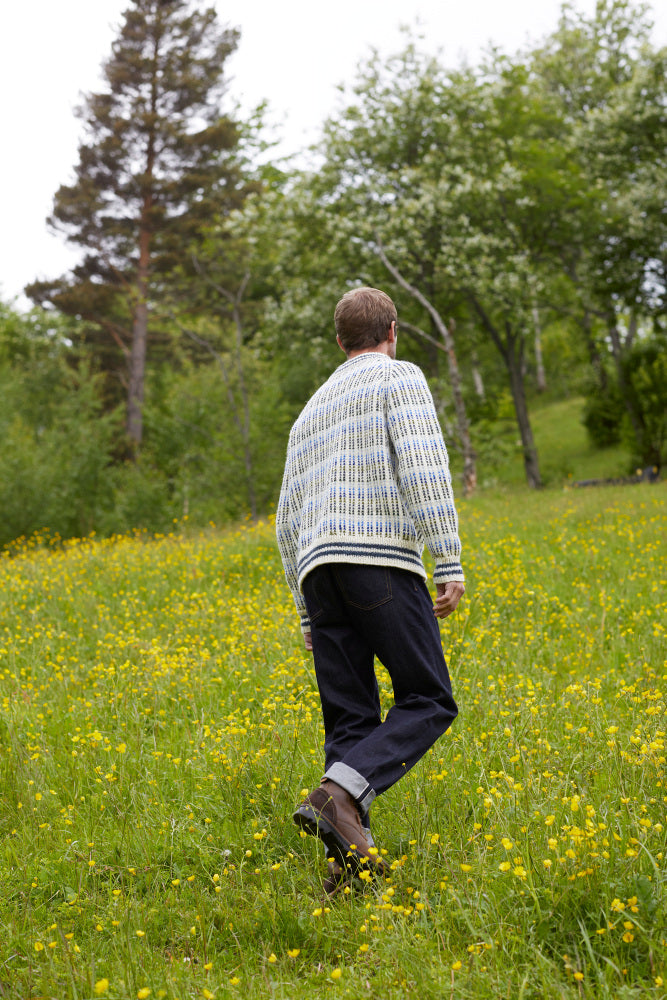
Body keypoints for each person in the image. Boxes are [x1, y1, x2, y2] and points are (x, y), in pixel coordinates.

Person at [276, 286, 464, 894]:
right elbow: (423, 461)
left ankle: (348, 868)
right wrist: (449, 556)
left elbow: (284, 519)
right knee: (429, 698)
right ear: (392, 329)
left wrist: (306, 612)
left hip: (317, 572)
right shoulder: (399, 376)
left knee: (352, 721)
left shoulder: (309, 410)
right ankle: (335, 797)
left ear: (339, 342)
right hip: (377, 560)